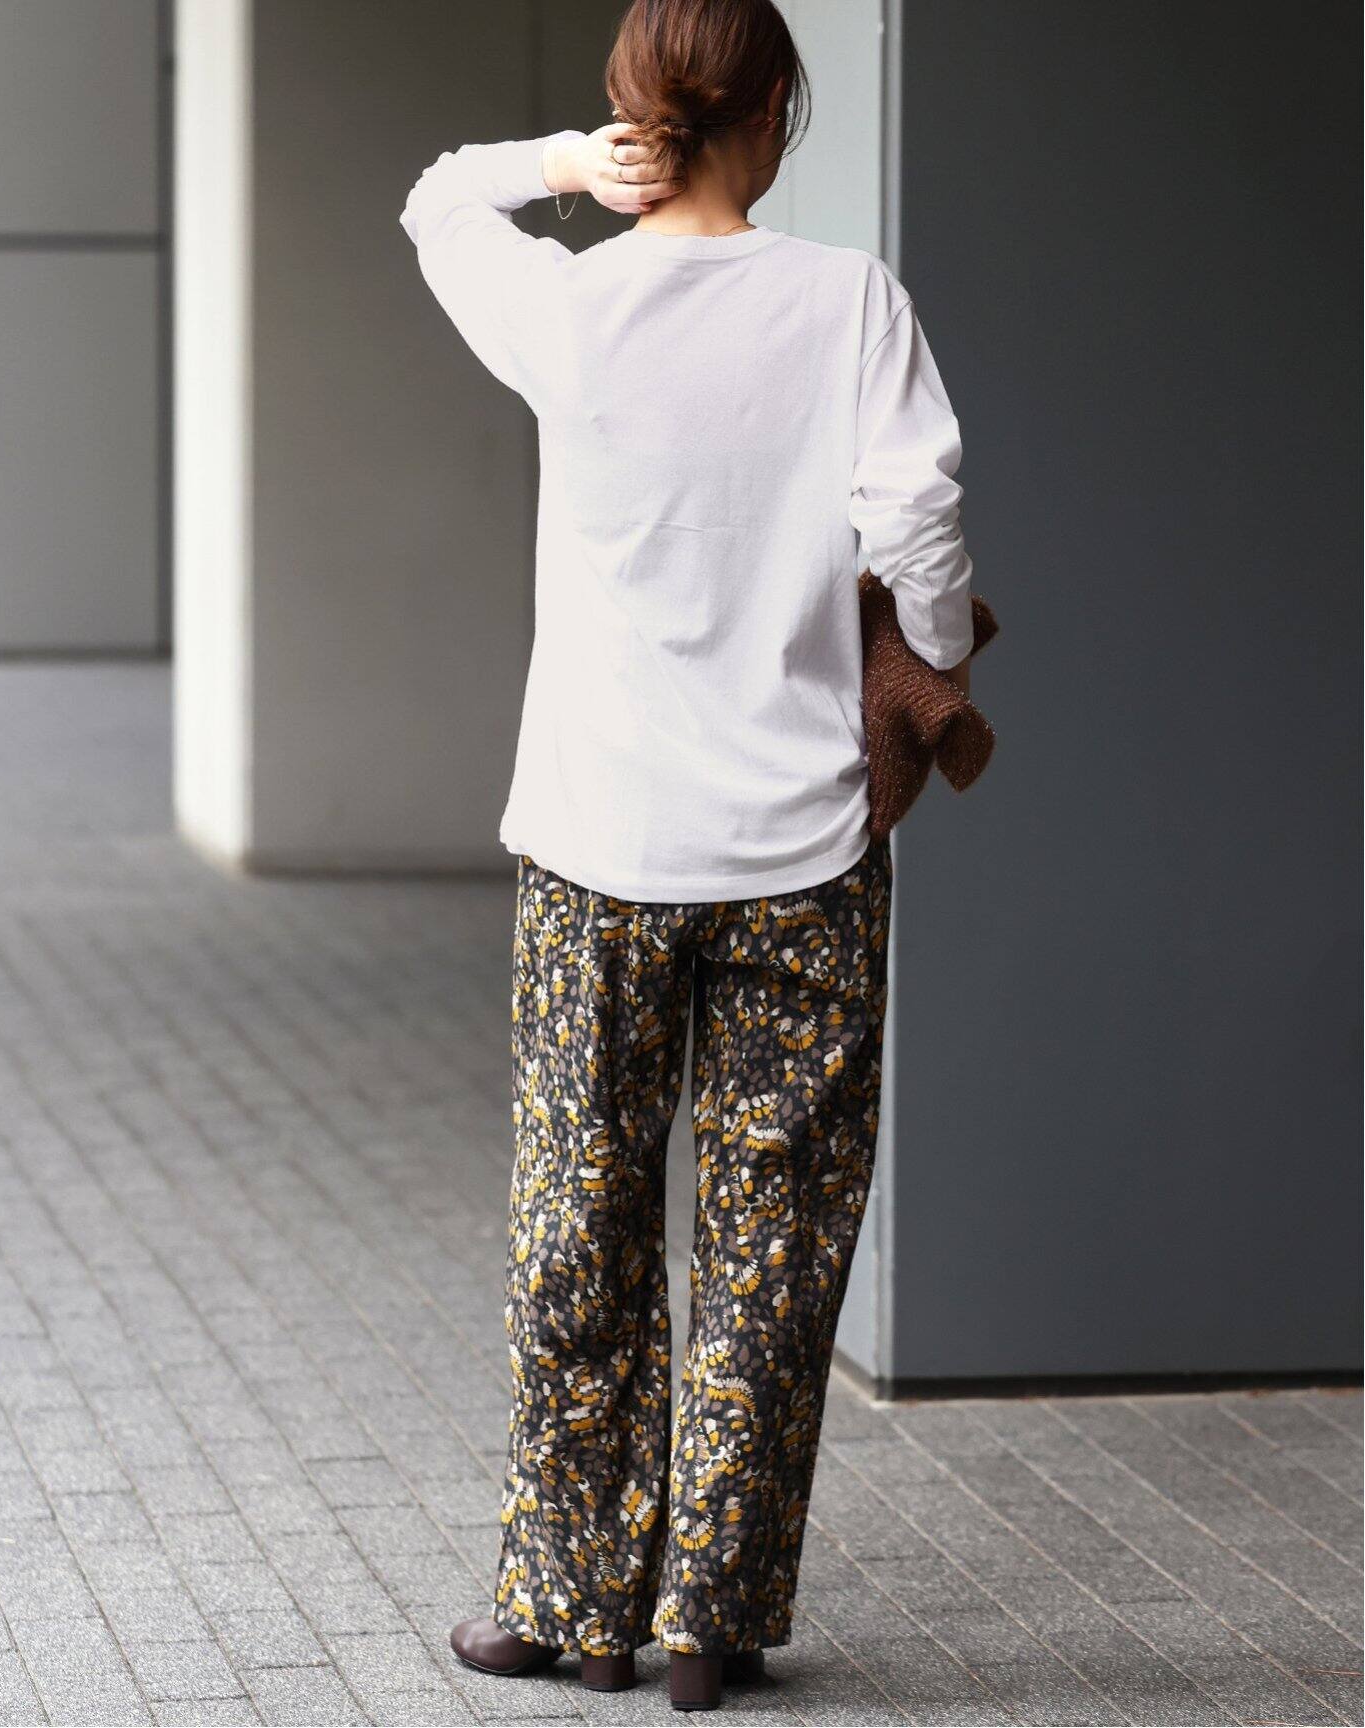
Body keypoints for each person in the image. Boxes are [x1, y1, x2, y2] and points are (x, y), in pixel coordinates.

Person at [399, 0, 974, 1710]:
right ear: (778, 108)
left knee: (579, 1224)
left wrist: (564, 167)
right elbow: (924, 519)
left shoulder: (572, 305)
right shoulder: (850, 301)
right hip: (807, 847)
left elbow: (436, 200)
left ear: (638, 114)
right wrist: (931, 664)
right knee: (776, 1243)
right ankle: (714, 1622)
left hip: (600, 843)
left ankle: (572, 1606)